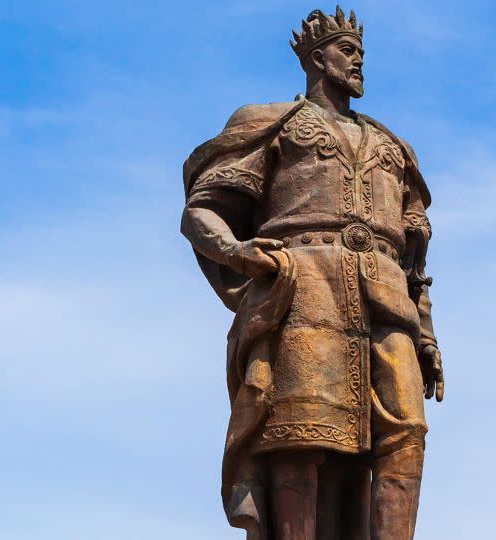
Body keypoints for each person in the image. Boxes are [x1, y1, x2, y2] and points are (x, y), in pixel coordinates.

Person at [181, 7, 444, 539]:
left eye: (360, 53)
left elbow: (416, 262)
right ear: (316, 58)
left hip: (388, 300)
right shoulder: (276, 125)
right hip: (304, 290)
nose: (358, 61)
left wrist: (428, 333)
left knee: (406, 435)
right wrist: (237, 252)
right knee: (300, 435)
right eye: (348, 52)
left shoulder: (395, 148)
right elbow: (201, 211)